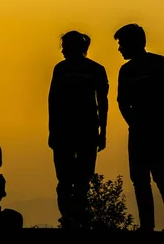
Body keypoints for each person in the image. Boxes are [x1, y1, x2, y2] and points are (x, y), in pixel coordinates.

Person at [114, 24, 164, 233]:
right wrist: (133, 121)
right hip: (138, 128)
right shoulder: (126, 70)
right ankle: (147, 226)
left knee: (160, 173)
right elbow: (121, 101)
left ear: (134, 43)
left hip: (158, 128)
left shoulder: (160, 63)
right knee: (139, 177)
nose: (119, 49)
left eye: (122, 44)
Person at [48, 31, 109, 229]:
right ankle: (71, 220)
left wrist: (103, 132)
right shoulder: (66, 69)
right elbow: (53, 100)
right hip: (75, 132)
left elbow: (102, 101)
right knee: (71, 181)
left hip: (81, 131)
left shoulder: (92, 69)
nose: (63, 50)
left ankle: (74, 220)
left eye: (65, 46)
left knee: (77, 180)